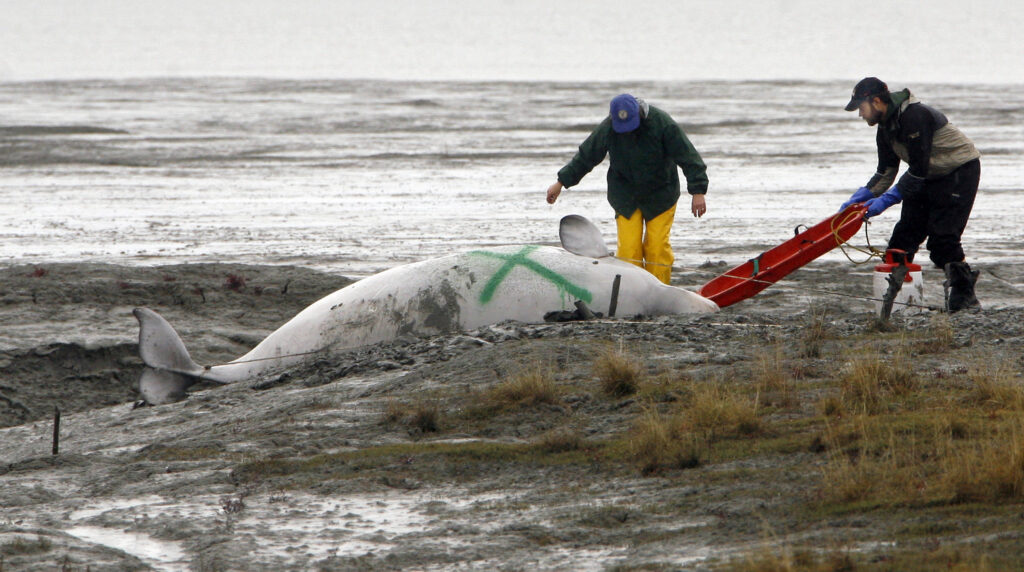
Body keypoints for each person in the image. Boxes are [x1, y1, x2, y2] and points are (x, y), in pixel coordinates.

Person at [840, 77, 982, 312]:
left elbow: (917, 169)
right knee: (901, 242)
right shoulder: (885, 128)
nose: (860, 114)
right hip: (926, 175)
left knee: (942, 240)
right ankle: (892, 306)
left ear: (876, 102)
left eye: (861, 108)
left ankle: (965, 298)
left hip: (958, 172)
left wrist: (887, 200)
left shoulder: (915, 117)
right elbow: (885, 171)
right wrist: (860, 198)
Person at [546, 94, 708, 285]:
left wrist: (698, 191)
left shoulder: (662, 123)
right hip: (625, 196)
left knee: (656, 247)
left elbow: (688, 156)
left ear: (640, 114)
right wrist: (561, 182)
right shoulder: (608, 127)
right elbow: (586, 156)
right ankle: (633, 290)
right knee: (629, 251)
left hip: (661, 194)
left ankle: (659, 290)